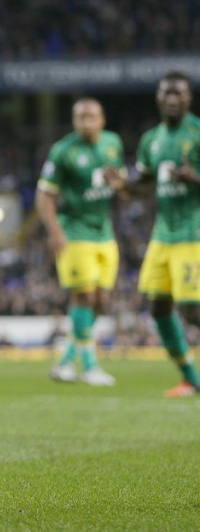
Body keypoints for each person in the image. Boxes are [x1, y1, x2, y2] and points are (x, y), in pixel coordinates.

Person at [104, 72, 200, 397]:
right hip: (162, 236)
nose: (172, 100)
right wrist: (123, 185)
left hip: (193, 233)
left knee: (192, 310)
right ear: (159, 98)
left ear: (189, 98)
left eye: (179, 94)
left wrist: (195, 179)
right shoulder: (151, 140)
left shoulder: (197, 133)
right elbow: (145, 184)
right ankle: (191, 379)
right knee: (158, 306)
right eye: (167, 94)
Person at [36, 98, 123, 386]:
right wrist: (55, 230)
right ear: (74, 121)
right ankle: (89, 366)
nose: (86, 122)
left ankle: (64, 361)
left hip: (104, 232)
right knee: (83, 296)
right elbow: (45, 194)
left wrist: (120, 185)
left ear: (103, 120)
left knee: (101, 301)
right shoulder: (63, 151)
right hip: (74, 232)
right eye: (80, 117)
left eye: (91, 117)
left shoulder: (113, 144)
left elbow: (121, 186)